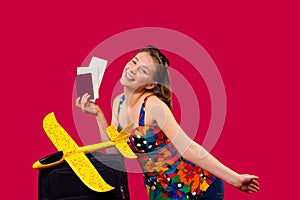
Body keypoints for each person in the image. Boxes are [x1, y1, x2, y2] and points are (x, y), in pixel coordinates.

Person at [76, 45, 259, 200]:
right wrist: (99, 115)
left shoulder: (154, 106)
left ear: (150, 84)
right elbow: (115, 153)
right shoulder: (118, 103)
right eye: (134, 62)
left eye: (143, 70)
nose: (132, 69)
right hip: (159, 191)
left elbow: (189, 148)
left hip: (195, 186)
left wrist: (235, 179)